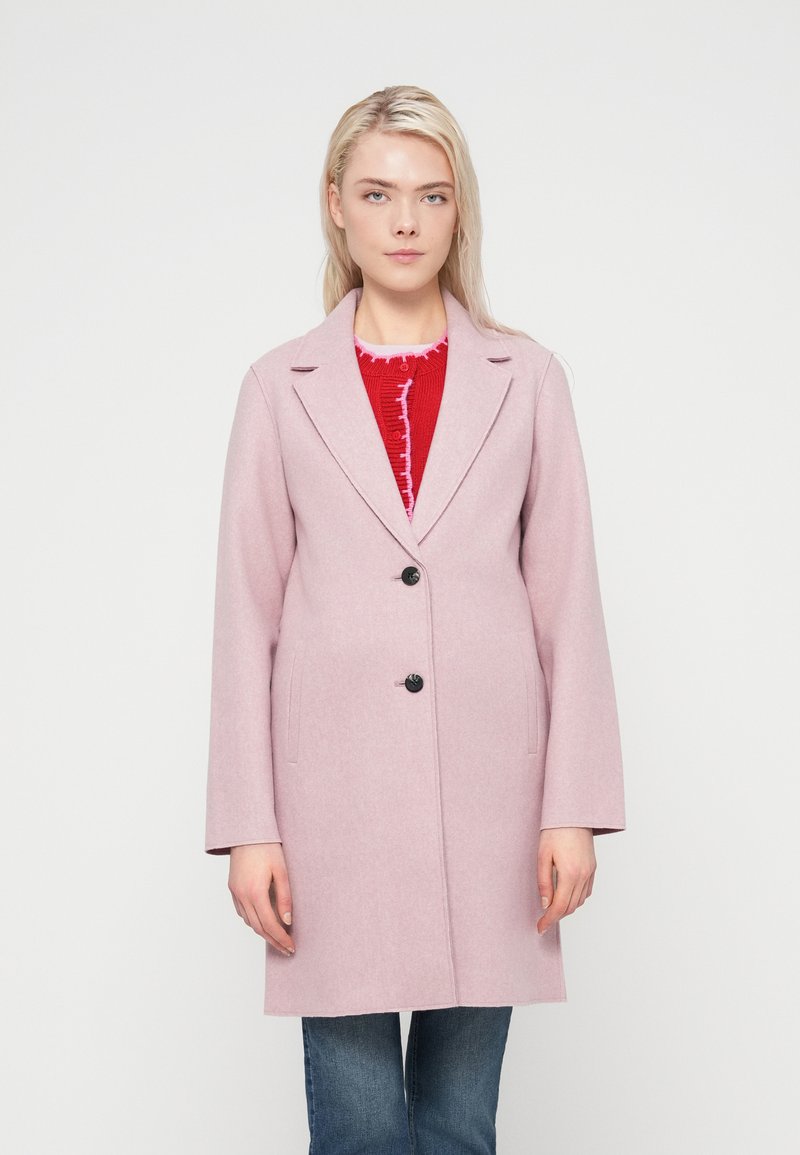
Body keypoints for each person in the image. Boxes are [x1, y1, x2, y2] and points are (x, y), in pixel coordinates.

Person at [205, 84, 626, 1154]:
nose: (405, 221)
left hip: (492, 803)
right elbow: (245, 614)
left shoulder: (527, 379)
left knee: (458, 1129)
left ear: (458, 210)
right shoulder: (278, 386)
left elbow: (566, 600)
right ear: (335, 206)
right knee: (355, 1131)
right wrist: (249, 825)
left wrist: (571, 807)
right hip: (327, 807)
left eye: (431, 195)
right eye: (378, 193)